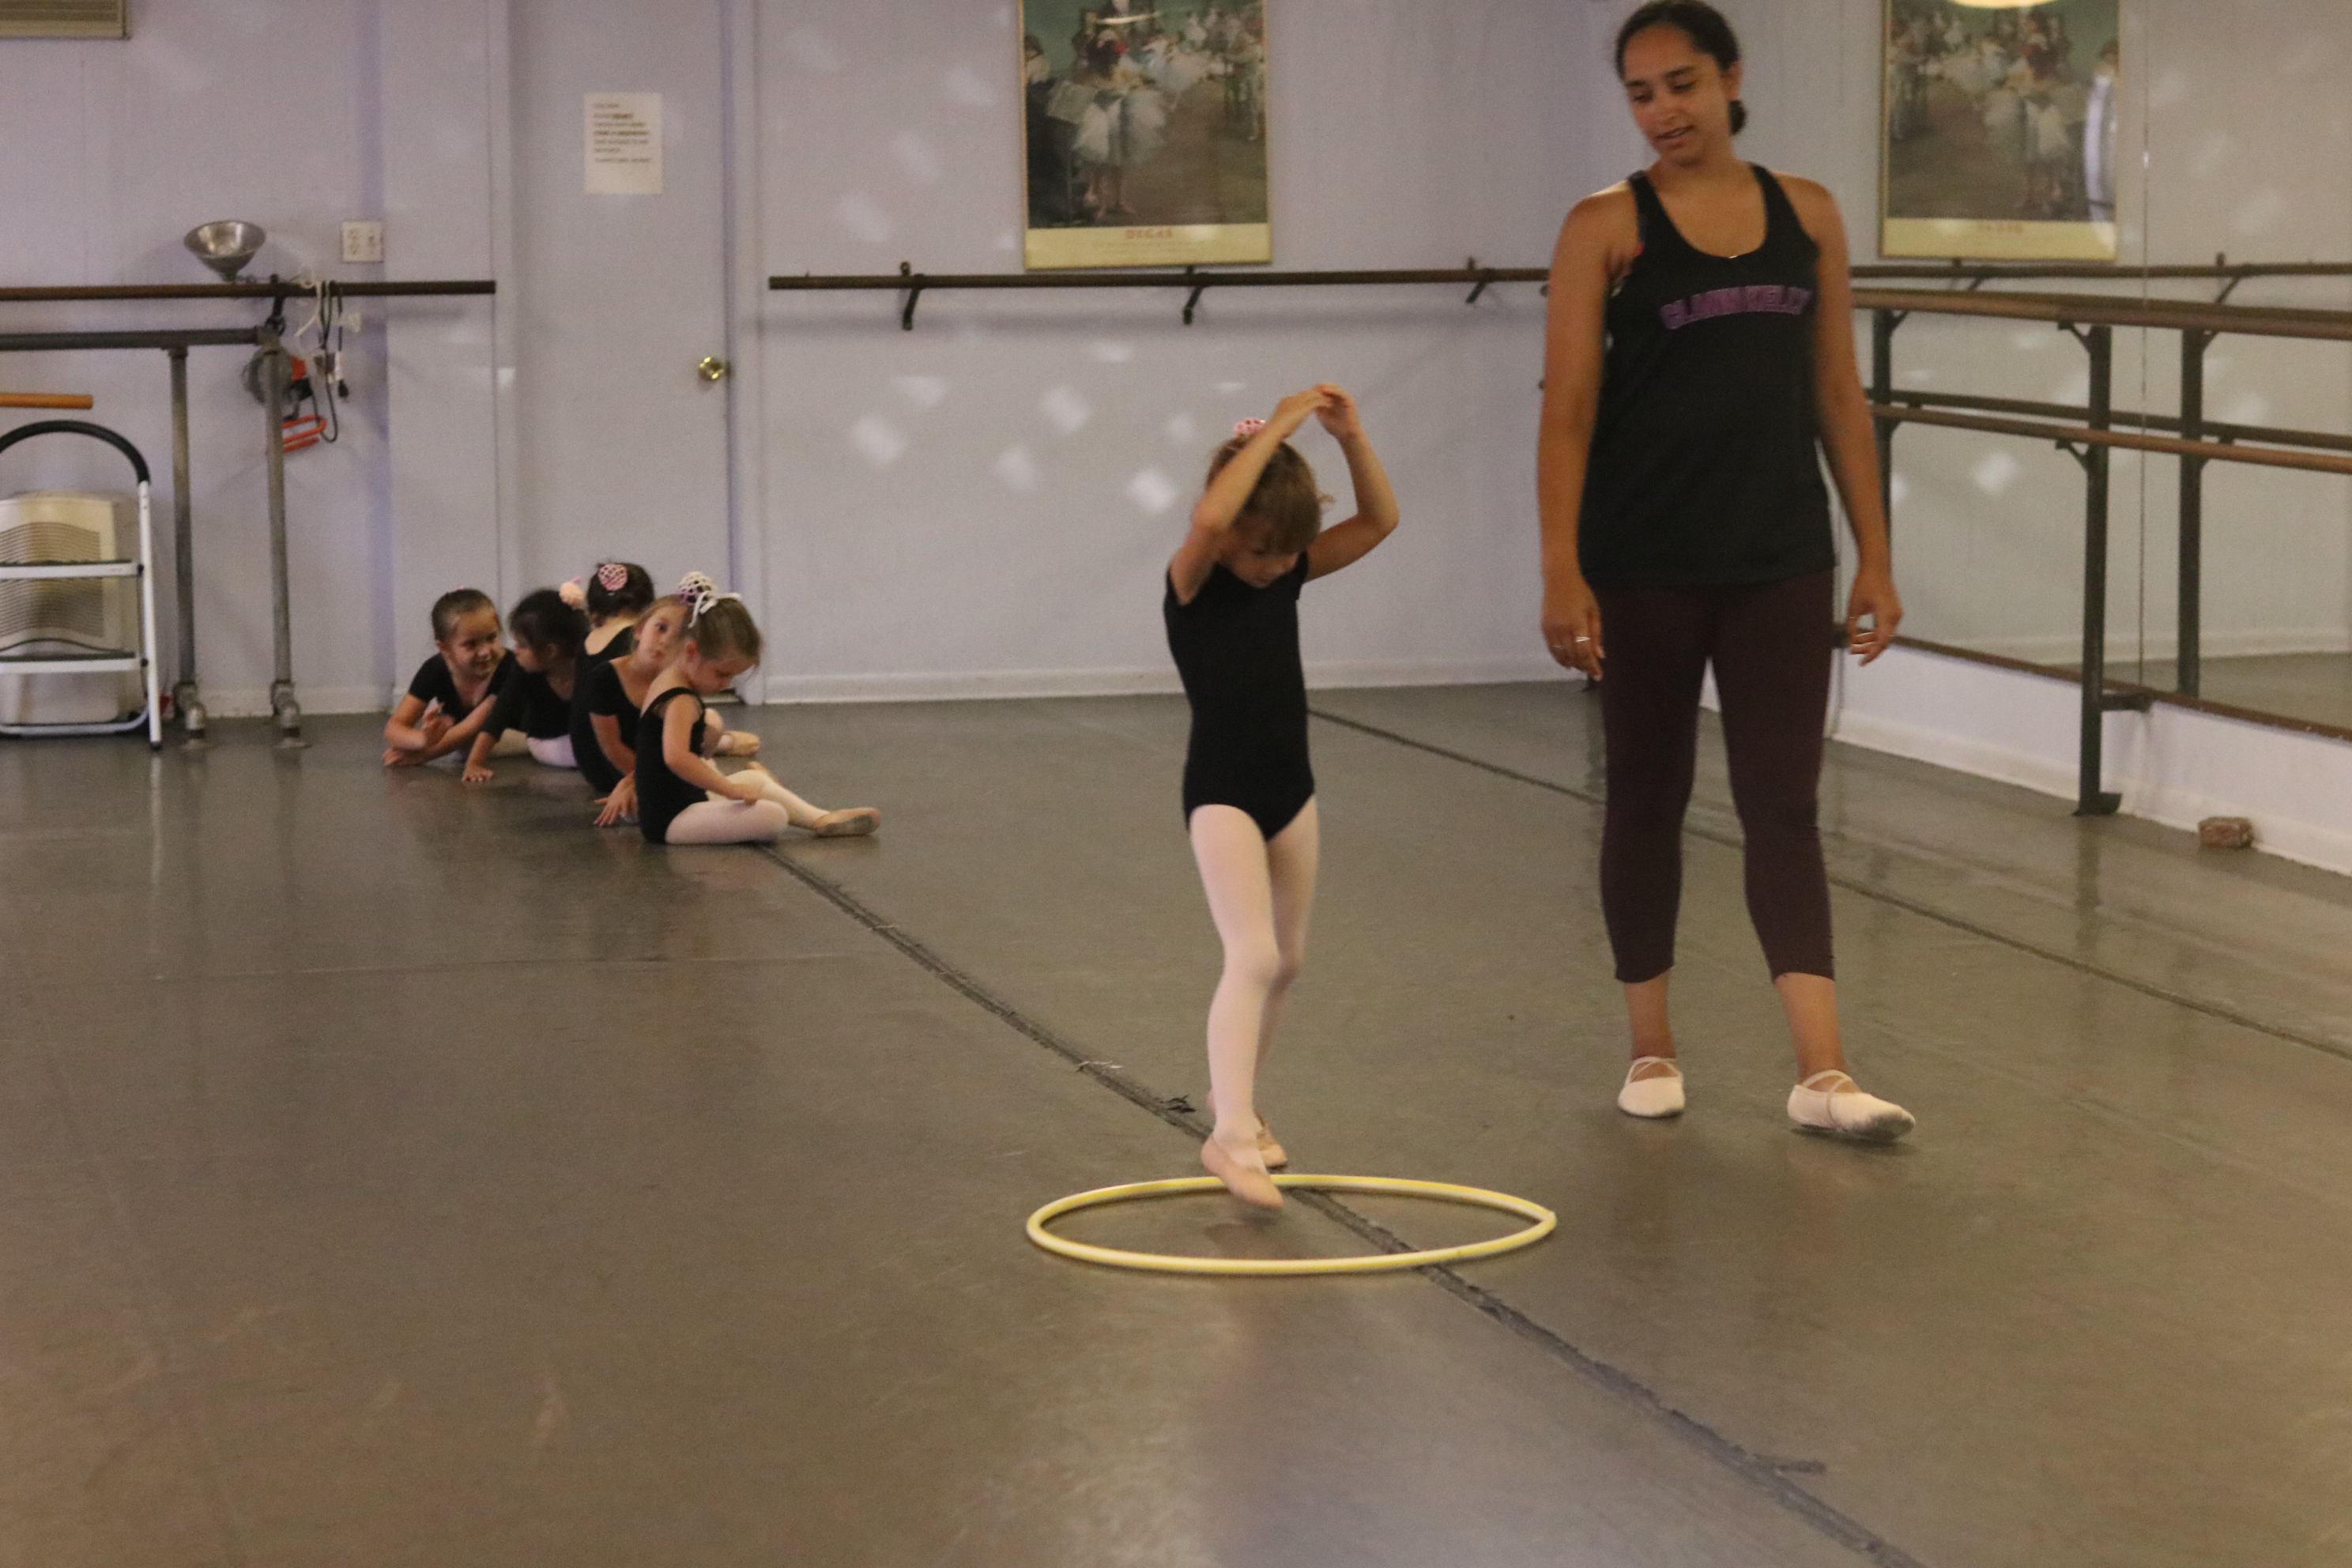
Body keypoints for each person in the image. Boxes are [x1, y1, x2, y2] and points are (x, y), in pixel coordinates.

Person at [1536, 1, 1914, 1141]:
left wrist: (1875, 555)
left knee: (1782, 806)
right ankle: (1650, 1048)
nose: (1664, 111)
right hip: (1643, 557)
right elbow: (1567, 413)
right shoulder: (1604, 227)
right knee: (1646, 797)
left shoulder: (1809, 213)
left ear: (1731, 79)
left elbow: (1838, 392)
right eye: (1641, 93)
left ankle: (1824, 1074)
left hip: (1779, 557)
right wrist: (1561, 570)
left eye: (1682, 85)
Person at [1165, 386, 1400, 1208]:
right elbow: (1209, 518)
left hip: (1290, 789)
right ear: (1232, 530)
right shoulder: (1193, 582)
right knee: (1254, 955)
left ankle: (1239, 1103)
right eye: (1262, 549)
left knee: (1288, 959)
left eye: (1287, 554)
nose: (1274, 566)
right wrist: (1282, 425)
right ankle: (1228, 1137)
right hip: (1223, 792)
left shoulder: (1286, 573)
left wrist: (1351, 436)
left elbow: (1380, 521)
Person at [634, 576, 880, 847]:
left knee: (753, 780)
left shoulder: (668, 679)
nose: (726, 684)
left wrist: (729, 785)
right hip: (671, 820)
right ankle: (808, 816)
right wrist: (729, 789)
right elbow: (677, 758)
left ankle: (820, 819)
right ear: (691, 652)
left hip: (683, 801)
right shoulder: (680, 699)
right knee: (773, 816)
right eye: (722, 674)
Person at [383, 588, 516, 770]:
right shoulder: (435, 669)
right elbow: (394, 728)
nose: (485, 652)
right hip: (473, 739)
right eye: (471, 644)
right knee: (462, 745)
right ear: (445, 648)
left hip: (523, 735)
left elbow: (472, 727)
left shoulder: (510, 668)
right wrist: (423, 739)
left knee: (472, 742)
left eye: (492, 638)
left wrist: (424, 754)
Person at [460, 588, 586, 781]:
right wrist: (473, 764)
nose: (515, 650)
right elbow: (498, 717)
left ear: (551, 651)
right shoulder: (523, 671)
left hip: (584, 737)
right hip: (545, 741)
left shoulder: (589, 664)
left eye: (522, 645)